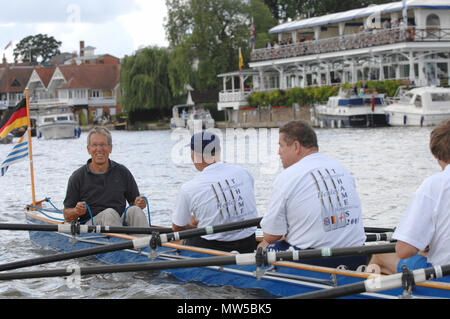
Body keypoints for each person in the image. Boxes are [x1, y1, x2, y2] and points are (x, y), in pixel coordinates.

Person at [258, 120, 367, 269]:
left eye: (280, 146)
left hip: (314, 260)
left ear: (296, 146)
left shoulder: (287, 177)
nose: (278, 152)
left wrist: (280, 235)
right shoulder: (341, 169)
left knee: (264, 246)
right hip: (357, 256)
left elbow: (270, 236)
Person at [368, 119, 450, 276]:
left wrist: (420, 244)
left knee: (380, 256)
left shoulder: (435, 185)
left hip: (443, 277)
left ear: (435, 154)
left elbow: (404, 250)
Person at [172, 131, 258, 253]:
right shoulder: (243, 172)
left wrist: (194, 224)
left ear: (193, 155)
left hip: (212, 248)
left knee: (183, 238)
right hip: (248, 244)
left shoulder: (189, 188)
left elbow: (177, 228)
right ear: (219, 151)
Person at [63, 126, 149, 227]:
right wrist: (76, 211)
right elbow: (67, 215)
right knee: (109, 213)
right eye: (95, 145)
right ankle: (122, 240)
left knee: (135, 210)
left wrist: (140, 204)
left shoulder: (123, 172)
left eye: (103, 145)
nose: (99, 149)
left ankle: (144, 241)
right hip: (90, 227)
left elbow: (134, 203)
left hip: (119, 222)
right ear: (88, 149)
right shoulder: (77, 177)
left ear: (110, 148)